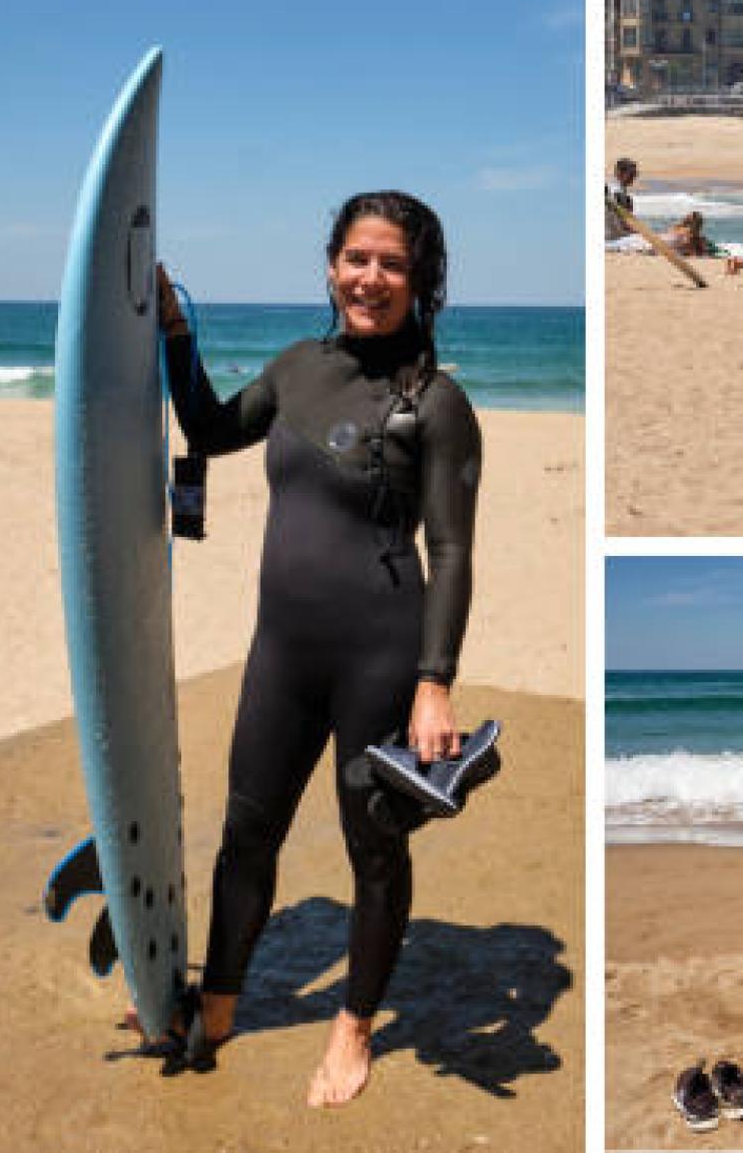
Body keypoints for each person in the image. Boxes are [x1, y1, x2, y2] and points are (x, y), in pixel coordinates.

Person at [157, 191, 482, 1108]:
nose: (369, 280)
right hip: (281, 653)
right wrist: (176, 334)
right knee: (244, 833)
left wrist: (434, 685)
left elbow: (452, 552)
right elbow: (214, 431)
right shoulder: (298, 368)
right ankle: (218, 1005)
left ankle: (353, 1027)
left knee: (372, 852)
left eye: (392, 265)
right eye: (356, 259)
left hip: (379, 655)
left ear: (421, 282)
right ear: (331, 263)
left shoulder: (438, 404)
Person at [605, 157, 642, 245]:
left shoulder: (608, 189)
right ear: (619, 173)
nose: (633, 177)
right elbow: (627, 225)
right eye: (631, 173)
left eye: (635, 174)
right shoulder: (620, 195)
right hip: (615, 239)